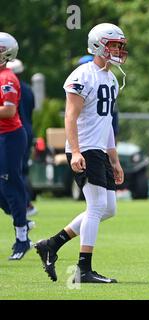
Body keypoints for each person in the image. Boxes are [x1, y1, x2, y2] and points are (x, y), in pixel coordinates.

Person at [34, 23, 126, 283]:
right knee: (96, 206)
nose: (118, 50)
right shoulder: (83, 74)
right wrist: (75, 151)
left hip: (99, 149)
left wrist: (115, 159)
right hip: (85, 147)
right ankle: (83, 270)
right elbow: (70, 116)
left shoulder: (111, 78)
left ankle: (52, 244)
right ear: (98, 44)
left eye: (120, 45)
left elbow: (107, 123)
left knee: (108, 209)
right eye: (113, 44)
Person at [0, 32, 32, 260]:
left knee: (11, 184)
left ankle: (22, 238)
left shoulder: (7, 78)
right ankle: (21, 218)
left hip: (9, 137)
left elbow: (9, 110)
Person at [6, 59, 37, 217]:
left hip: (13, 131)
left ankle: (25, 205)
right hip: (27, 130)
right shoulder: (28, 89)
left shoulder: (9, 87)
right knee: (22, 169)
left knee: (15, 170)